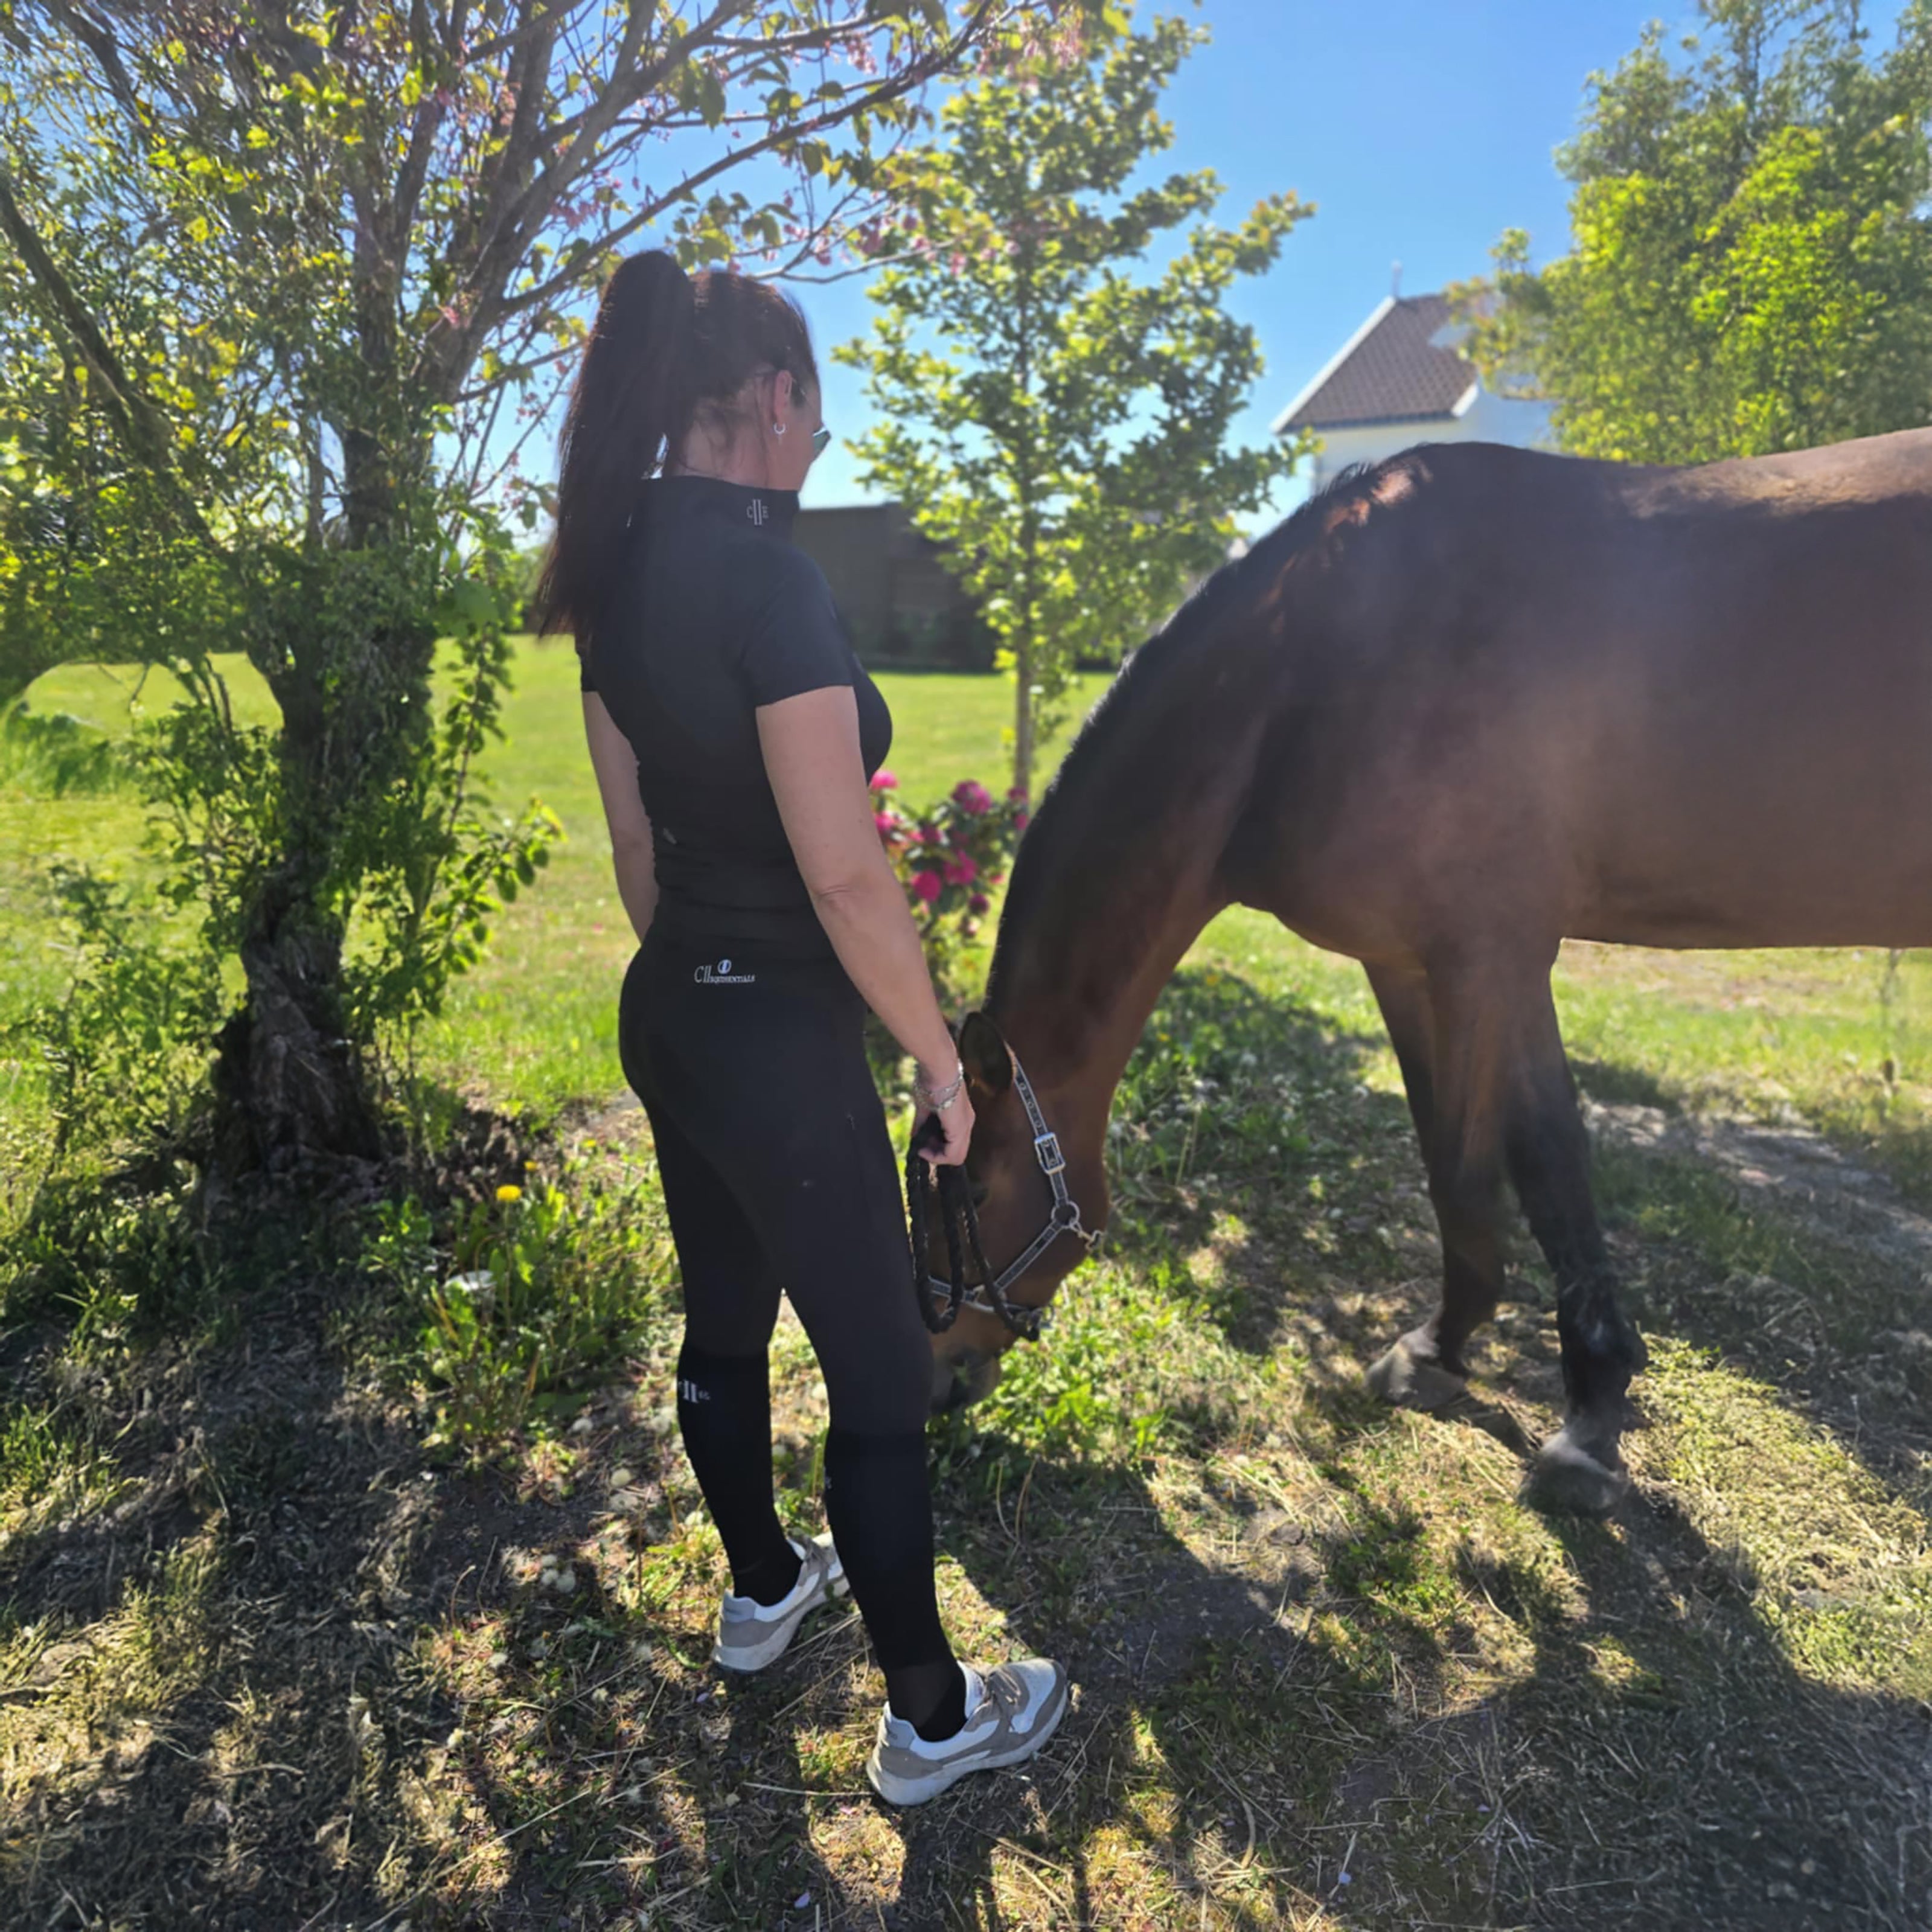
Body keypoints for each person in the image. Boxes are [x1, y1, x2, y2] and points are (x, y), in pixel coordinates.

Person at [535, 251, 1067, 1806]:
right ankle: (929, 1718)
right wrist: (936, 1054)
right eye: (817, 411)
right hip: (773, 1035)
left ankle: (765, 1588)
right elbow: (845, 871)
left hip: (674, 1017)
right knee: (883, 1381)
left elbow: (638, 859)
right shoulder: (772, 578)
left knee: (723, 1321)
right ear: (771, 399)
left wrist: (711, 983)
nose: (823, 443)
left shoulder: (610, 570)